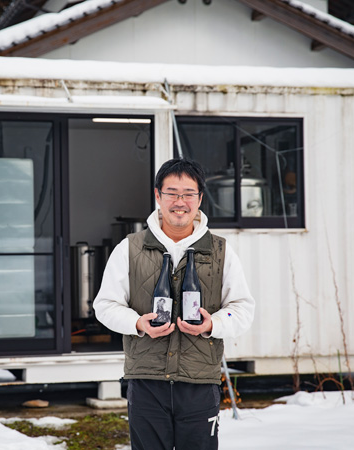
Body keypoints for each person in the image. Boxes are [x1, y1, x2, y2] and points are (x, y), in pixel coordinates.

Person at [93, 158, 255, 450]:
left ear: (200, 198)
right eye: (172, 193)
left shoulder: (221, 251)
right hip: (147, 383)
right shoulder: (129, 248)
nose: (180, 202)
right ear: (158, 196)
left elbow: (241, 308)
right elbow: (105, 305)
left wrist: (214, 324)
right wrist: (137, 323)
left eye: (188, 194)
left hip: (199, 384)